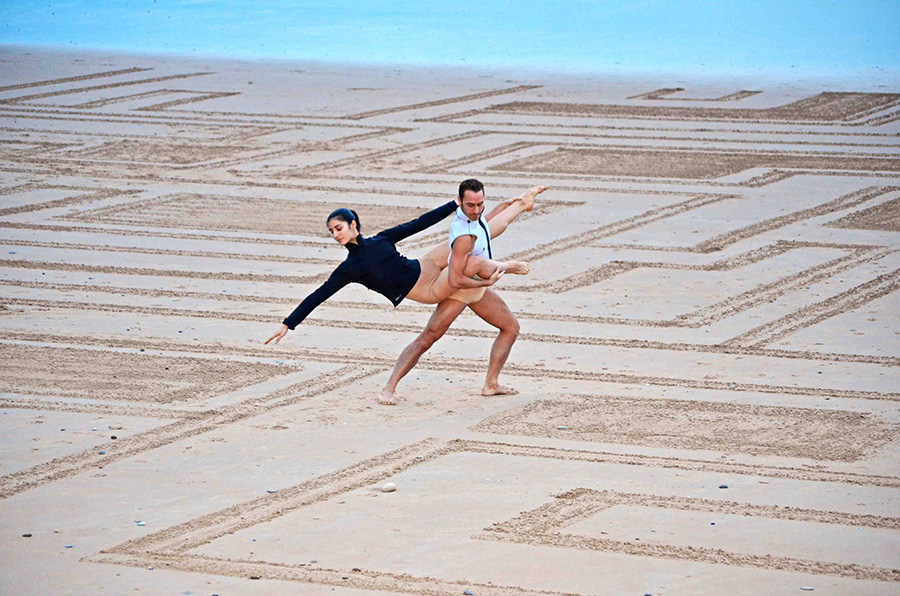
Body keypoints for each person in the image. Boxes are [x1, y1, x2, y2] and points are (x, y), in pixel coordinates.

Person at [265, 192, 530, 346]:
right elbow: (319, 295)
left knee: (467, 238)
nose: (335, 235)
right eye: (331, 231)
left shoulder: (381, 239)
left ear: (353, 224)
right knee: (467, 254)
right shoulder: (350, 268)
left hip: (424, 265)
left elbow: (418, 223)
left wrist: (454, 205)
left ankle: (519, 205)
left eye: (339, 228)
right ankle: (507, 265)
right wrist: (289, 323)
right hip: (426, 289)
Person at [378, 181, 549, 405]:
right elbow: (454, 279)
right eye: (470, 205)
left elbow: (492, 225)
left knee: (510, 327)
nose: (476, 210)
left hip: (477, 286)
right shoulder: (462, 236)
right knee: (427, 338)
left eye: (480, 204)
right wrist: (486, 282)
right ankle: (388, 389)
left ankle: (491, 384)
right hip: (461, 289)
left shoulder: (475, 220)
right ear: (459, 202)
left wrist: (512, 206)